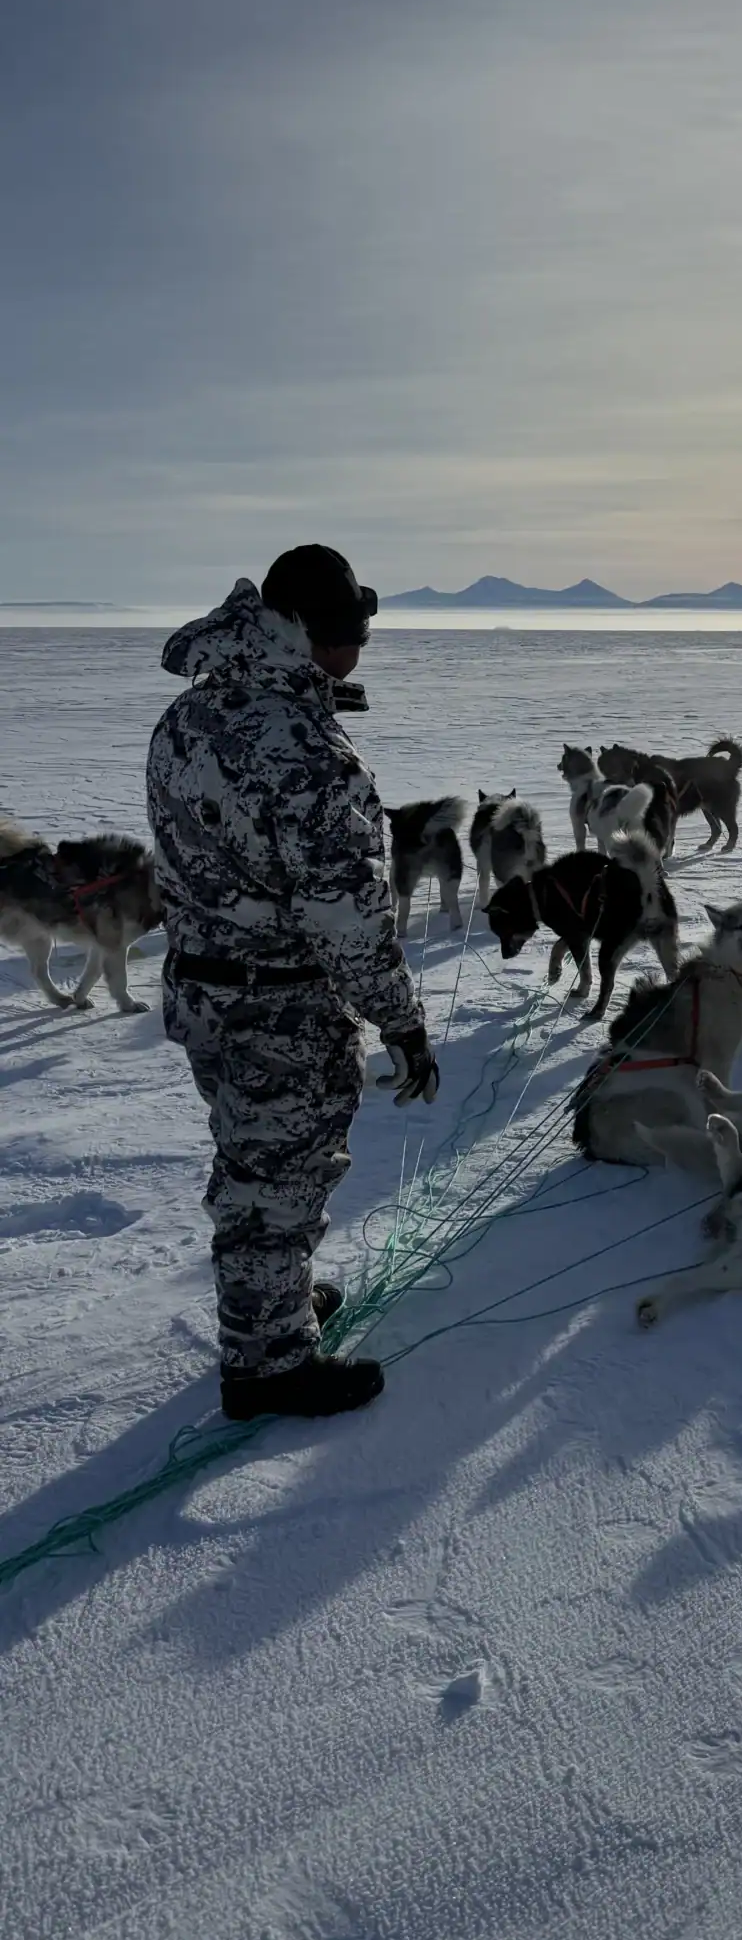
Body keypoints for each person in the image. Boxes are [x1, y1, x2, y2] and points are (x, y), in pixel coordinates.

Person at [146, 546, 439, 1420]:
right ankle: (267, 1363)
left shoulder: (188, 717)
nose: (363, 651)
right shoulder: (303, 749)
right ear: (315, 637)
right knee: (281, 1180)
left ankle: (272, 1305)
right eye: (356, 634)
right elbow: (346, 916)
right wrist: (401, 1022)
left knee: (254, 1164)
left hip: (205, 992)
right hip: (278, 1005)